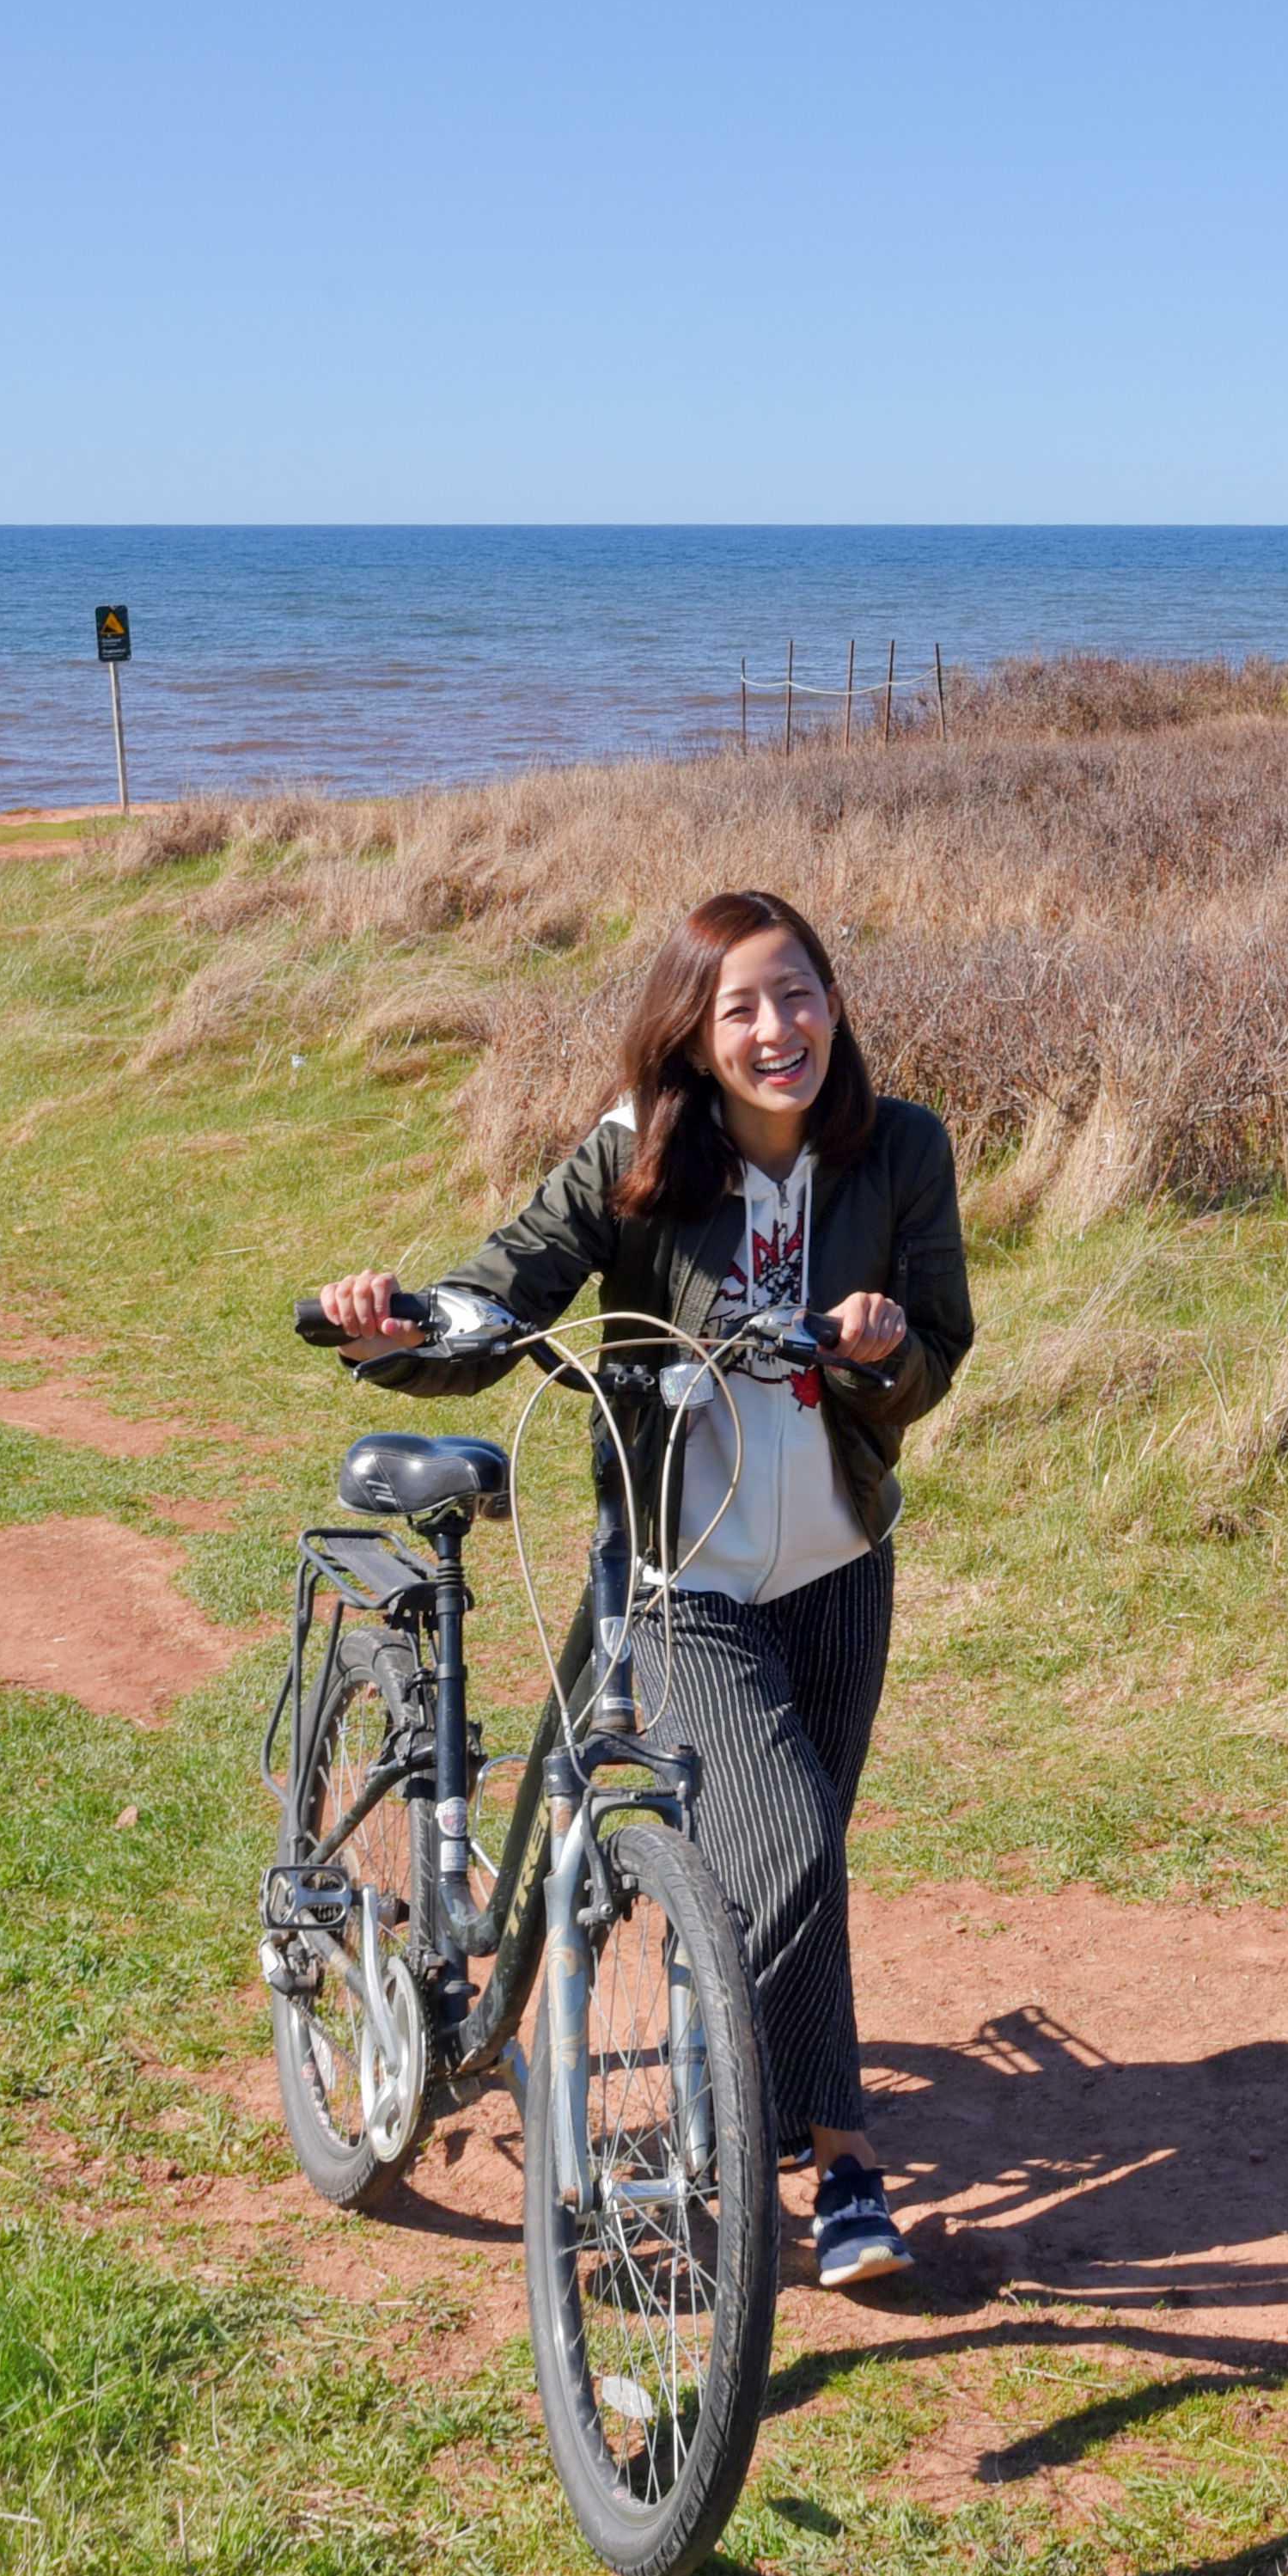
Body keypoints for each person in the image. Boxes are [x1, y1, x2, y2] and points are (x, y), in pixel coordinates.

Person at [313, 890, 972, 2287]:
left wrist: (880, 1352)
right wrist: (398, 1329)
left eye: (795, 994)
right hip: (684, 1578)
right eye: (739, 1006)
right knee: (786, 1848)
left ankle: (778, 2117)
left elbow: (937, 1350)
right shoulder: (636, 1154)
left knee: (792, 1870)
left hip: (842, 1567)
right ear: (694, 1029)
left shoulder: (898, 1149)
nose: (775, 1028)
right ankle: (792, 2157)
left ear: (832, 1002)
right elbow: (506, 1286)